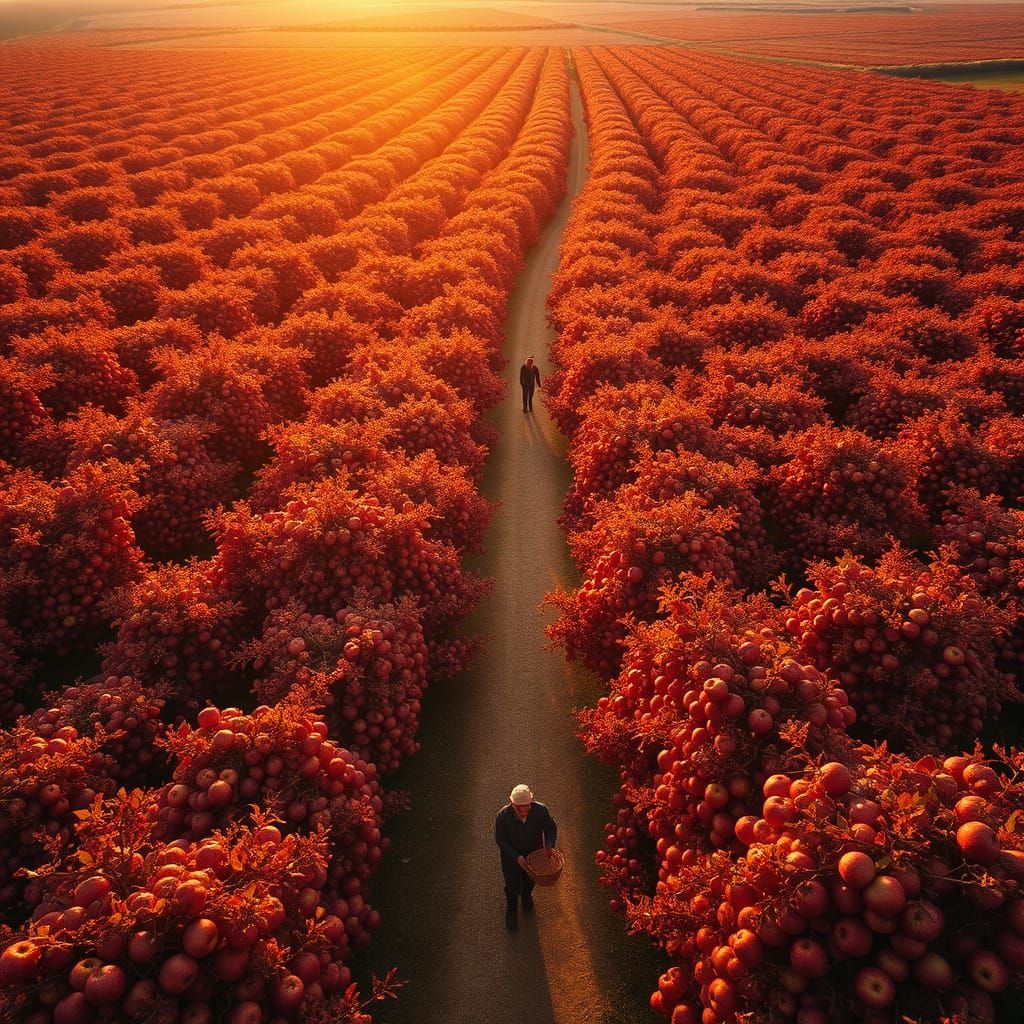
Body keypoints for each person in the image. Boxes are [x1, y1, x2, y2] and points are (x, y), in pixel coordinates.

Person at [494, 784, 557, 929]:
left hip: (533, 856)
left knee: (530, 880)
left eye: (526, 807)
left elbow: (551, 828)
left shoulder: (541, 810)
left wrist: (549, 845)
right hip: (511, 859)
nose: (523, 811)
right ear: (511, 804)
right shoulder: (502, 816)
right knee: (512, 885)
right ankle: (512, 909)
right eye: (518, 808)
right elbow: (500, 840)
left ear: (531, 802)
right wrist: (516, 856)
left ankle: (526, 895)